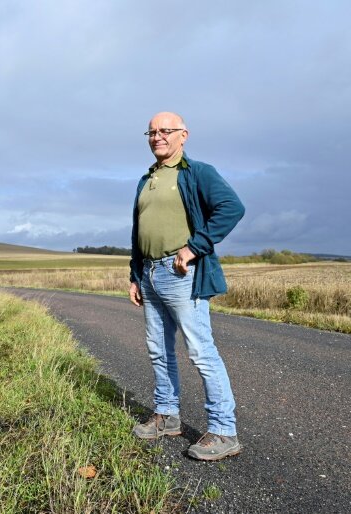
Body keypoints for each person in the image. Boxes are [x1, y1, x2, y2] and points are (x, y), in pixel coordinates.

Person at [129, 112, 245, 461]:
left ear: (183, 135)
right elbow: (139, 232)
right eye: (151, 132)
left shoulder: (197, 172)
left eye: (165, 130)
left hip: (180, 274)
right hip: (149, 273)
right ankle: (167, 417)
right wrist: (135, 274)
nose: (157, 136)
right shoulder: (146, 179)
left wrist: (195, 247)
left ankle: (224, 431)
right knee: (158, 350)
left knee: (201, 352)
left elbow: (232, 208)